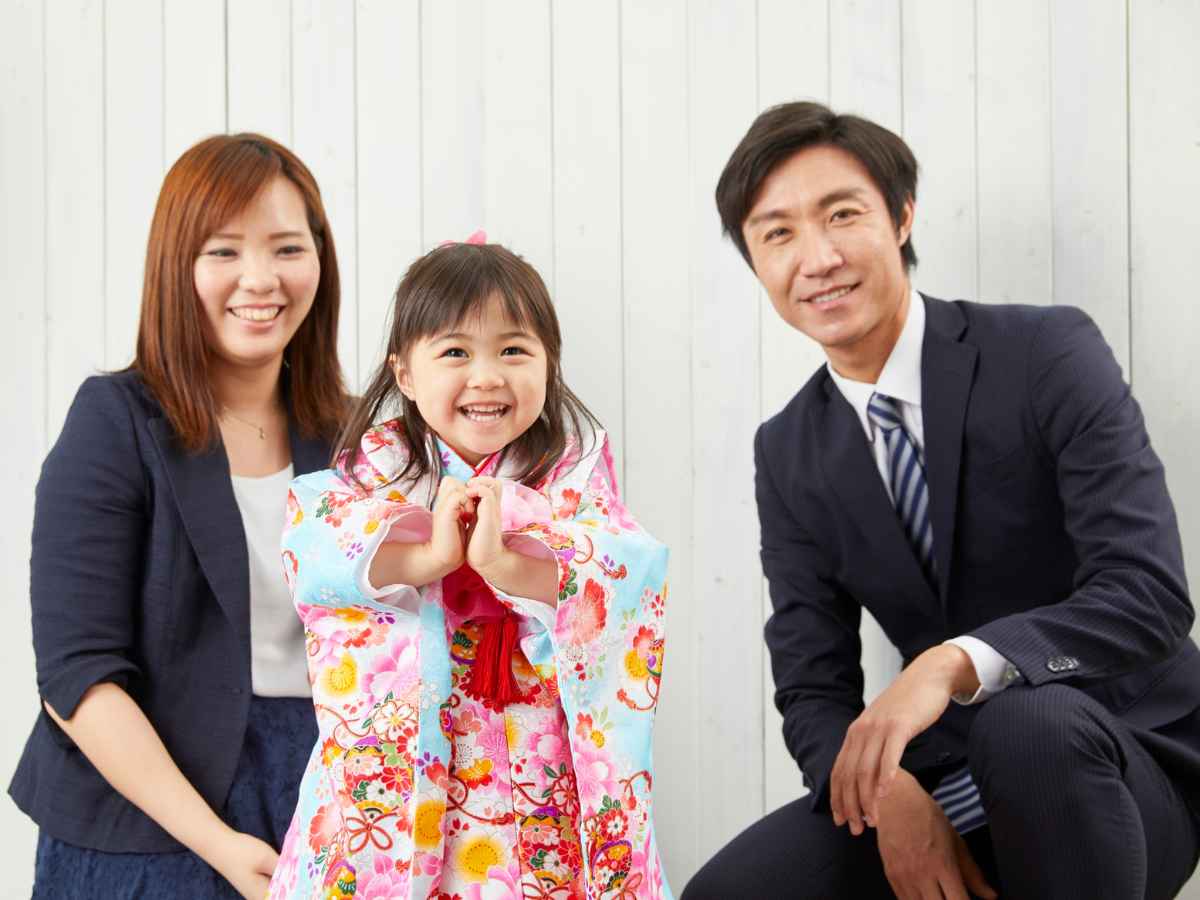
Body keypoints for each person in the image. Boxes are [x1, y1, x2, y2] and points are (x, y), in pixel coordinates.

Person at [683, 102, 1200, 899]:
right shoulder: (787, 449)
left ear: (901, 217)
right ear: (755, 263)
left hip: (1123, 759)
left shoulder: (1045, 352)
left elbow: (1149, 594)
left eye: (842, 215)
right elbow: (813, 686)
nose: (816, 258)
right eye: (777, 233)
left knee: (1028, 727)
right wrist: (886, 794)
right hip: (946, 776)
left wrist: (953, 663)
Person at [266, 238, 672, 898]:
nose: (487, 376)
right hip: (410, 756)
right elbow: (315, 554)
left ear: (549, 363)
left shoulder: (573, 472)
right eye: (455, 352)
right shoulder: (376, 469)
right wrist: (428, 557)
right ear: (404, 373)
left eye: (514, 350)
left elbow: (625, 582)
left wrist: (507, 565)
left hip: (542, 767)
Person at [10, 133, 349, 898]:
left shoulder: (356, 437)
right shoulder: (116, 422)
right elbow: (77, 677)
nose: (259, 280)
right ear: (177, 269)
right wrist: (219, 845)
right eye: (223, 251)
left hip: (323, 805)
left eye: (287, 248)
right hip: (144, 821)